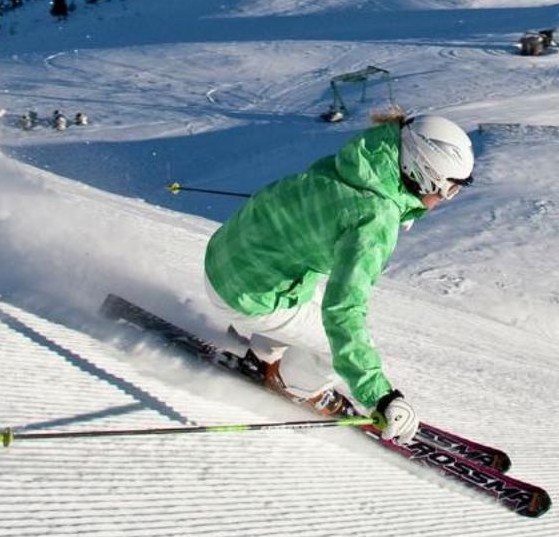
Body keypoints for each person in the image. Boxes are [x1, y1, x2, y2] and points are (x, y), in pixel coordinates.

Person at [202, 109, 474, 445]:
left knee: (310, 304)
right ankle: (294, 386)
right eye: (448, 190)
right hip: (247, 290)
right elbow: (343, 311)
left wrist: (390, 208)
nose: (445, 199)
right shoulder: (375, 219)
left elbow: (334, 204)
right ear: (422, 172)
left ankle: (264, 357)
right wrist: (379, 395)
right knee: (337, 345)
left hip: (228, 253)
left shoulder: (362, 162)